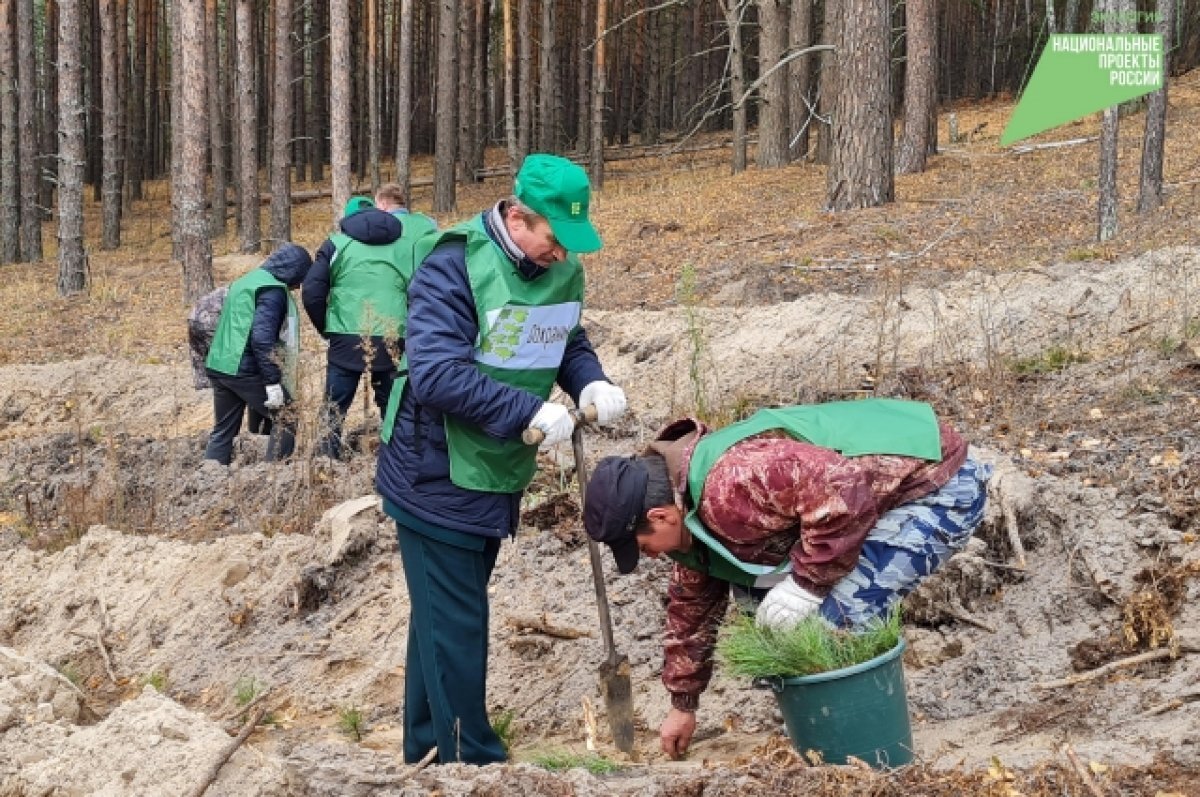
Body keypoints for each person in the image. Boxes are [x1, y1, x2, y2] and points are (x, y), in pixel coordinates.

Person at [375, 153, 628, 765]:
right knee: (458, 621)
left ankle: (427, 744)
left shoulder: (560, 270)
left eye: (571, 242)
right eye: (553, 238)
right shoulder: (453, 263)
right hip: (433, 466)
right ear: (517, 216)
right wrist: (525, 412)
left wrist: (589, 380)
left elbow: (566, 335)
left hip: (497, 466)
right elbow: (434, 373)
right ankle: (475, 762)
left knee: (441, 615)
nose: (563, 254)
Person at [583, 398, 992, 760]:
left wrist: (808, 584)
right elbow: (691, 607)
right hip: (862, 497)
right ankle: (821, 728)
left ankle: (867, 752)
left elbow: (841, 487)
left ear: (660, 517)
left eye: (642, 546)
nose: (649, 556)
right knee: (762, 614)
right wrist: (683, 704)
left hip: (935, 483)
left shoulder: (731, 484)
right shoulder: (685, 512)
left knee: (830, 622)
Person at [303, 195, 427, 458]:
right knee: (394, 407)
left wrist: (327, 327)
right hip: (394, 337)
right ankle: (398, 461)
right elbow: (421, 292)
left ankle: (326, 463)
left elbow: (312, 291)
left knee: (334, 409)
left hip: (346, 337)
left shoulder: (336, 244)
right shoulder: (406, 248)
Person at [203, 243, 312, 465]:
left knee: (224, 429)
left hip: (220, 364)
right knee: (287, 415)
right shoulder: (272, 291)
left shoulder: (247, 281)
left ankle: (208, 478)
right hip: (245, 368)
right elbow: (262, 339)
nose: (299, 286)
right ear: (294, 271)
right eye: (300, 278)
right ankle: (274, 477)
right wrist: (272, 382)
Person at [373, 182, 439, 239]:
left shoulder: (381, 226)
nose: (375, 207)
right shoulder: (429, 221)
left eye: (376, 204)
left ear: (383, 204)